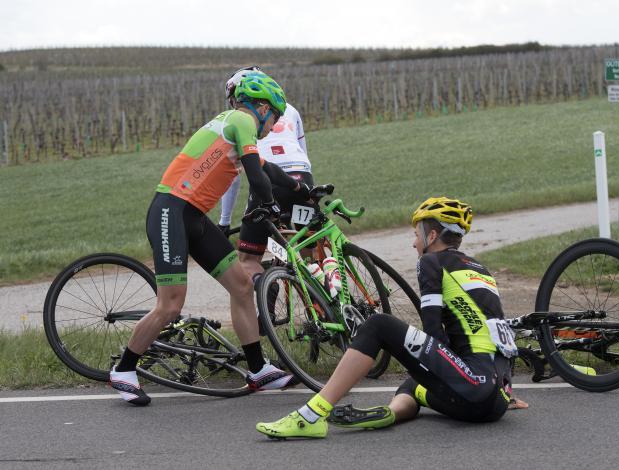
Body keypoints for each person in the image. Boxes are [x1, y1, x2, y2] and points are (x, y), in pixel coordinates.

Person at [110, 72, 309, 406]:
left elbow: (268, 171)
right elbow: (258, 179)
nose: (273, 126)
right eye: (274, 118)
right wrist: (270, 203)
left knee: (242, 286)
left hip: (195, 218)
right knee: (171, 305)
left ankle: (258, 369)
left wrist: (300, 189)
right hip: (171, 212)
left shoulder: (233, 128)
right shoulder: (240, 120)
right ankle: (124, 369)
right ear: (261, 107)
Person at [256, 197, 517, 439]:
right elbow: (496, 337)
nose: (414, 243)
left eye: (416, 235)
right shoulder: (480, 270)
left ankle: (311, 416)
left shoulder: (431, 262)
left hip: (473, 390)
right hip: (496, 401)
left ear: (433, 235)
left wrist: (407, 348)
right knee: (414, 383)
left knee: (379, 325)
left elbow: (433, 331)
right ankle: (391, 412)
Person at [217, 65, 314, 282]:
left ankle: (267, 285)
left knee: (248, 258)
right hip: (301, 174)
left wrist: (224, 221)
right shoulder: (290, 109)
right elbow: (303, 152)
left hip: (270, 179)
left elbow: (233, 174)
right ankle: (325, 296)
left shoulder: (238, 120)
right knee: (310, 246)